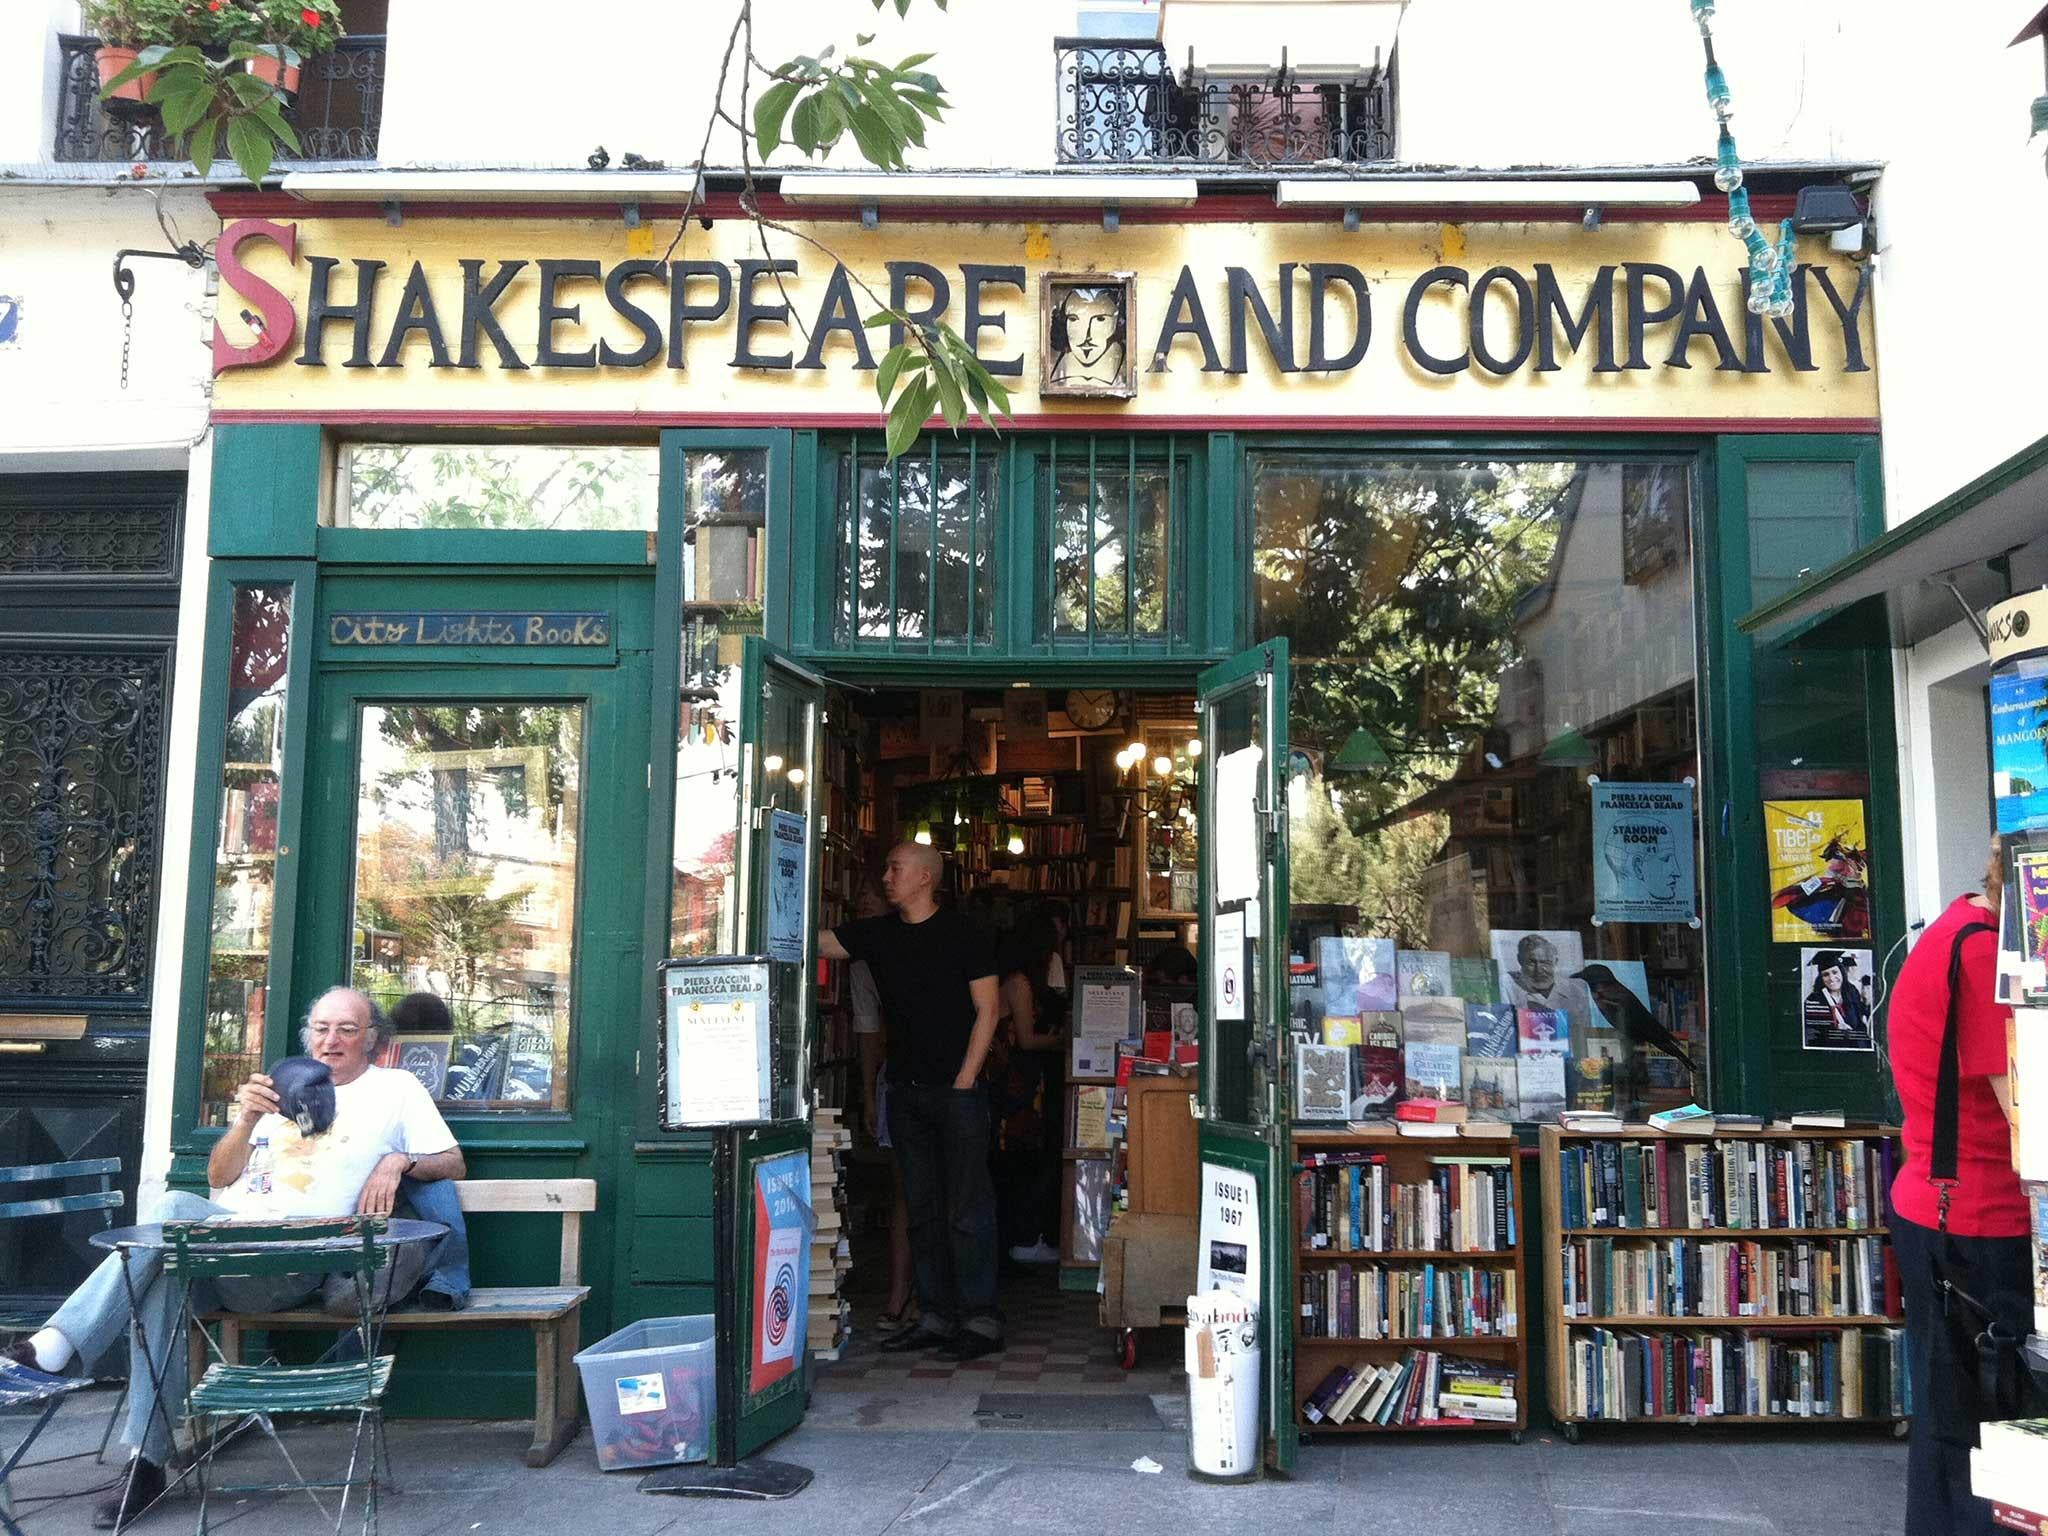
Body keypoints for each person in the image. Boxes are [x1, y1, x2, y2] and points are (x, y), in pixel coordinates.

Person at [0, 987, 463, 1530]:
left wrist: (399, 1162)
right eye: (320, 1028)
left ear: (373, 1040)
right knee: (163, 1275)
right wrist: (244, 1121)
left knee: (170, 1212)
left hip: (287, 1261)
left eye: (346, 1029)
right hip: (219, 1249)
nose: (330, 1041)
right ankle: (144, 1464)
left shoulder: (394, 1088)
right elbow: (220, 1178)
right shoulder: (281, 1088)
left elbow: (452, 1161)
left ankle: (53, 1349)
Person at [1886, 841, 2031, 1536]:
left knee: (1953, 1425)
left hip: (1941, 1203)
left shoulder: (1953, 929)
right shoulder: (1982, 957)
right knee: (1998, 1431)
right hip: (1978, 1215)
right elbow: (2028, 1115)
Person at [821, 842, 1002, 1360]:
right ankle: (938, 1316)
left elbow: (988, 1011)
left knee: (968, 1207)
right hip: (906, 1093)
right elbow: (818, 943)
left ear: (925, 877)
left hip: (957, 1093)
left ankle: (982, 1319)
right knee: (921, 1209)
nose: (885, 877)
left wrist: (964, 1082)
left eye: (894, 868)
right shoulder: (877, 935)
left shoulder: (964, 933)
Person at [848, 878, 916, 1328]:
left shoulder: (919, 944)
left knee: (919, 1193)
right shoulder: (861, 965)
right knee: (907, 1192)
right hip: (903, 1078)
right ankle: (903, 1293)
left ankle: (919, 1296)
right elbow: (869, 1034)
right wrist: (871, 1094)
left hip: (935, 1079)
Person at [990, 913, 1066, 1267]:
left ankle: (1017, 1239)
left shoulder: (1020, 980)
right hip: (1017, 1085)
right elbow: (1026, 1039)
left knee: (1022, 1158)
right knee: (1020, 1159)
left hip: (1022, 1082)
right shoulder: (1020, 982)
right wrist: (1063, 1040)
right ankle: (1020, 1239)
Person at [1501, 934, 1596, 1042]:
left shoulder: (1576, 991)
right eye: (1531, 962)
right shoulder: (1507, 984)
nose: (1539, 970)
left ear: (1555, 961)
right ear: (1520, 960)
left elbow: (1584, 1036)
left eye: (1545, 962)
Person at [1803, 948, 1873, 1047]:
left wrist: (1853, 1034)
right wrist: (1836, 1033)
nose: (1831, 978)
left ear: (1842, 972)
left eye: (1835, 972)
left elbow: (1860, 1024)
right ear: (1821, 978)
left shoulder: (1851, 991)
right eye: (1826, 974)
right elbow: (1812, 1035)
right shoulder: (1813, 1000)